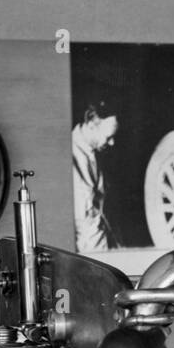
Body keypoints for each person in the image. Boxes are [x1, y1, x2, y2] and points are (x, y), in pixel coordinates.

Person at [71, 100, 118, 252]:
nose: (112, 143)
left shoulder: (95, 151)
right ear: (91, 123)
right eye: (108, 136)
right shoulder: (70, 157)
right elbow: (85, 224)